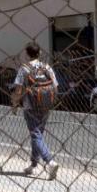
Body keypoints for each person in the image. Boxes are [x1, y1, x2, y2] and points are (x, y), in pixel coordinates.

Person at [11, 42, 60, 179]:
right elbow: (55, 86)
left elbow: (18, 89)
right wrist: (50, 100)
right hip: (45, 105)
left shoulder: (24, 69)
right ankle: (33, 165)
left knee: (35, 134)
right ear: (40, 53)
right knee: (38, 135)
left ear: (27, 54)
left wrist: (15, 104)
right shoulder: (47, 67)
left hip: (30, 105)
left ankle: (50, 161)